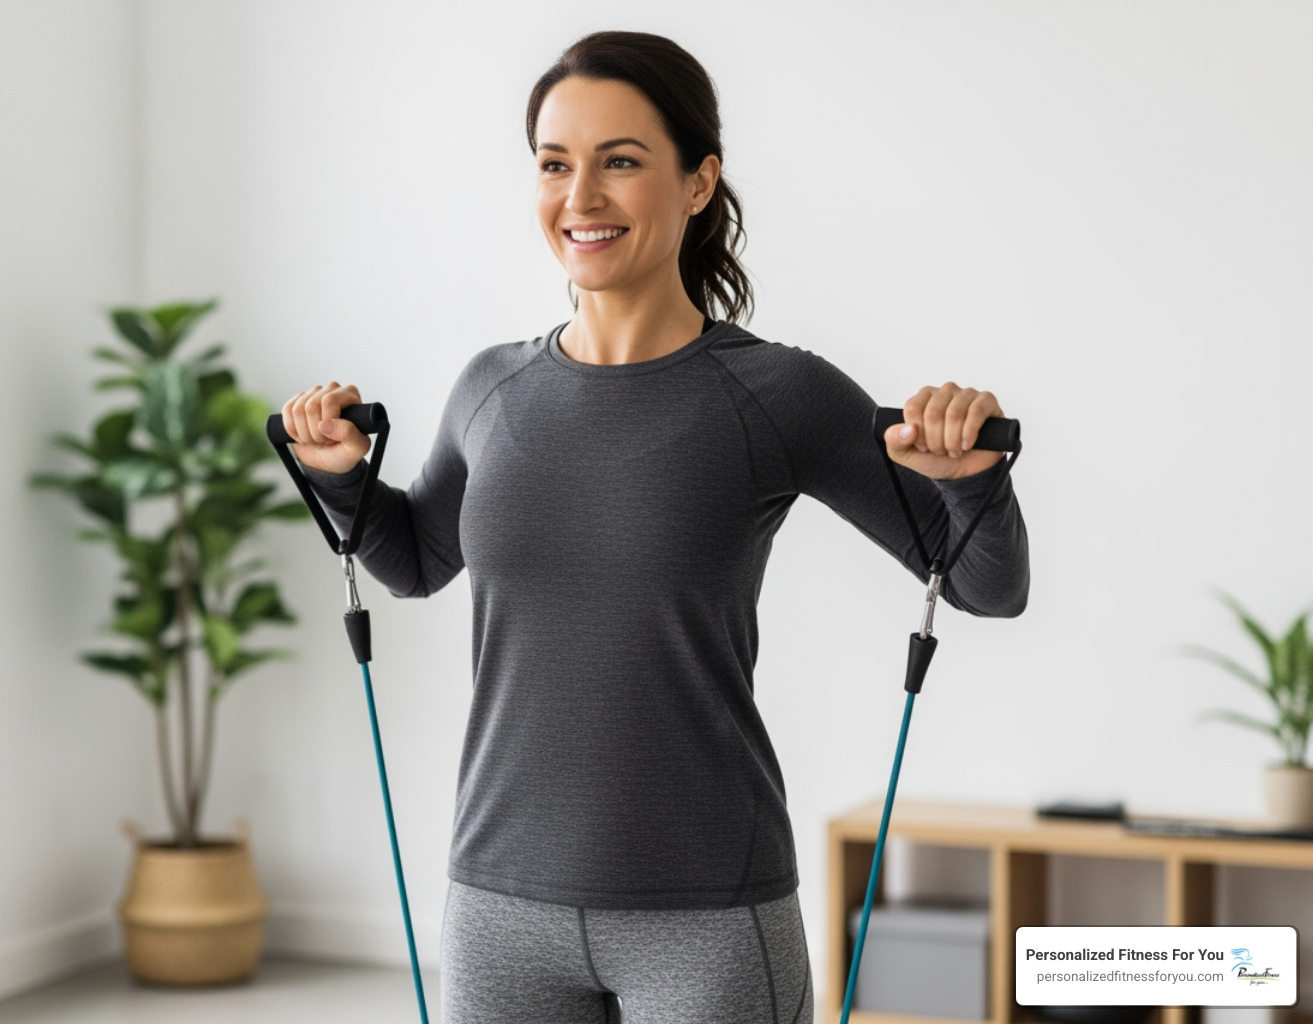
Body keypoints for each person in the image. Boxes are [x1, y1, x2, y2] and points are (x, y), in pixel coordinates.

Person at [279, 29, 1028, 1024]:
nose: (579, 199)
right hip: (498, 908)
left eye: (620, 162)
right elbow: (415, 561)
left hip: (708, 918)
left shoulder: (774, 394)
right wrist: (343, 483)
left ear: (698, 181)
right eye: (555, 164)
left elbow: (984, 583)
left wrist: (972, 479)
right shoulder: (490, 389)